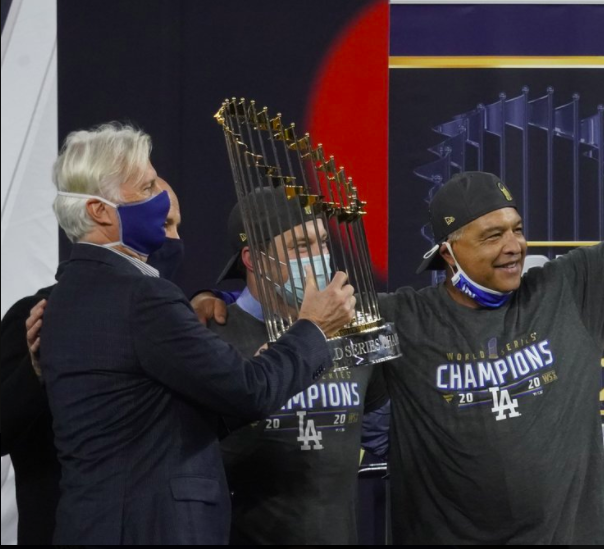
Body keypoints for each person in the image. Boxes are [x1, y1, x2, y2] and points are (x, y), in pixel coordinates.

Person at [197, 57, 604, 543]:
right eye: (491, 235)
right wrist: (221, 306)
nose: (514, 247)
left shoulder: (572, 287)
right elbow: (298, 344)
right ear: (448, 252)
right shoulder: (403, 319)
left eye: (517, 229)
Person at [39, 122, 356, 545]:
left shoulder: (65, 295)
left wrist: (256, 366)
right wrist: (313, 329)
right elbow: (250, 391)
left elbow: (146, 415)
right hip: (152, 528)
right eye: (147, 186)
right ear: (100, 211)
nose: (161, 196)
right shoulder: (142, 296)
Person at [0, 179, 183, 545]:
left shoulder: (175, 321)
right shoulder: (35, 315)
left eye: (177, 225)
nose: (174, 239)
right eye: (164, 225)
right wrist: (36, 372)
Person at [208, 188, 390, 544]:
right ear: (253, 258)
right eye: (301, 247)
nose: (320, 257)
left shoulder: (357, 330)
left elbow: (384, 434)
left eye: (322, 242)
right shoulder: (211, 335)